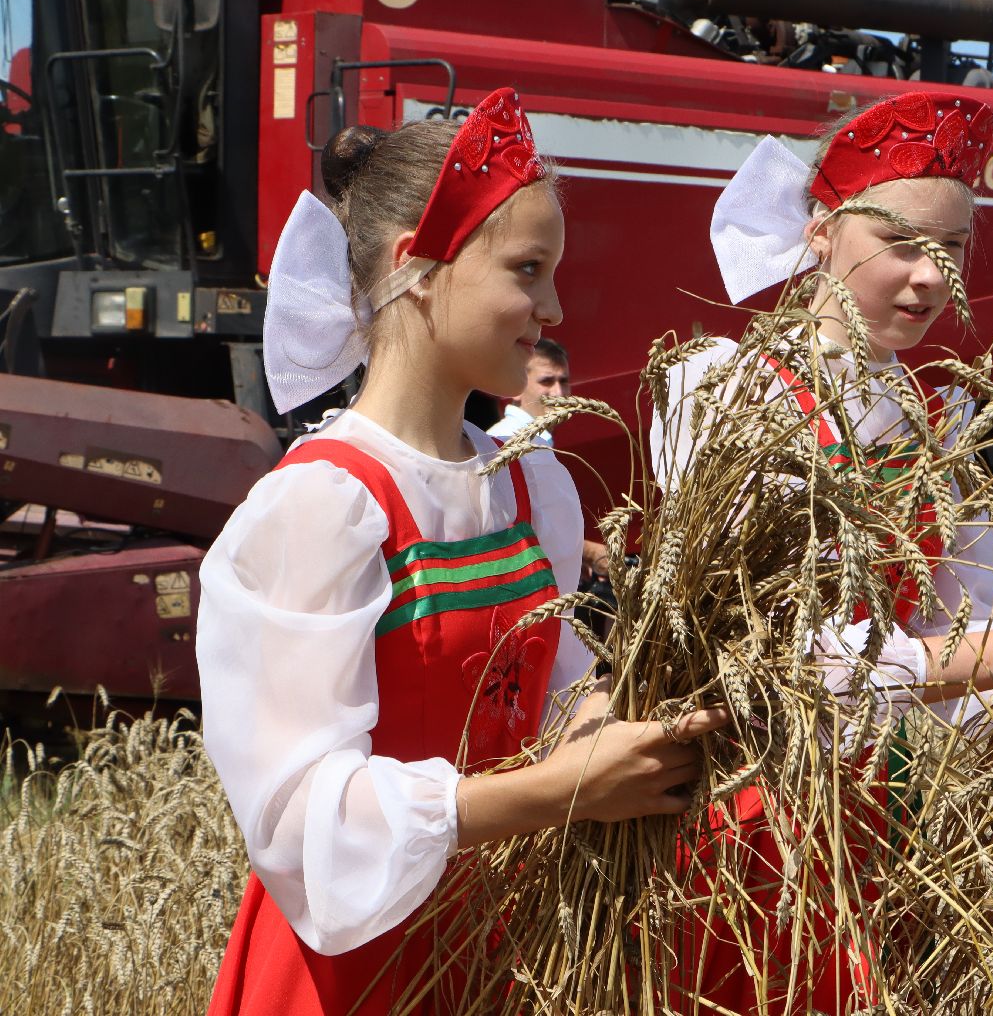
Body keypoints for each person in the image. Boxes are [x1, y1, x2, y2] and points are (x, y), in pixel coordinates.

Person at [196, 87, 726, 1015]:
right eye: (527, 269)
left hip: (502, 943)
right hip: (357, 964)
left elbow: (553, 684)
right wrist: (560, 793)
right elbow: (301, 822)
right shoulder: (323, 506)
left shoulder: (526, 481)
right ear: (419, 267)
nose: (552, 305)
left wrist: (617, 720)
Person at [653, 90, 993, 1014]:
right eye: (900, 242)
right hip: (742, 819)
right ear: (820, 233)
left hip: (882, 813)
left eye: (953, 249)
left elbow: (977, 619)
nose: (931, 277)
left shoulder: (937, 418)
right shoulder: (727, 396)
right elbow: (769, 658)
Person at [486, 337, 610, 577]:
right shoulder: (510, 442)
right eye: (547, 381)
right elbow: (514, 529)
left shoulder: (533, 441)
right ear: (517, 386)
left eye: (564, 381)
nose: (559, 393)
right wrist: (589, 552)